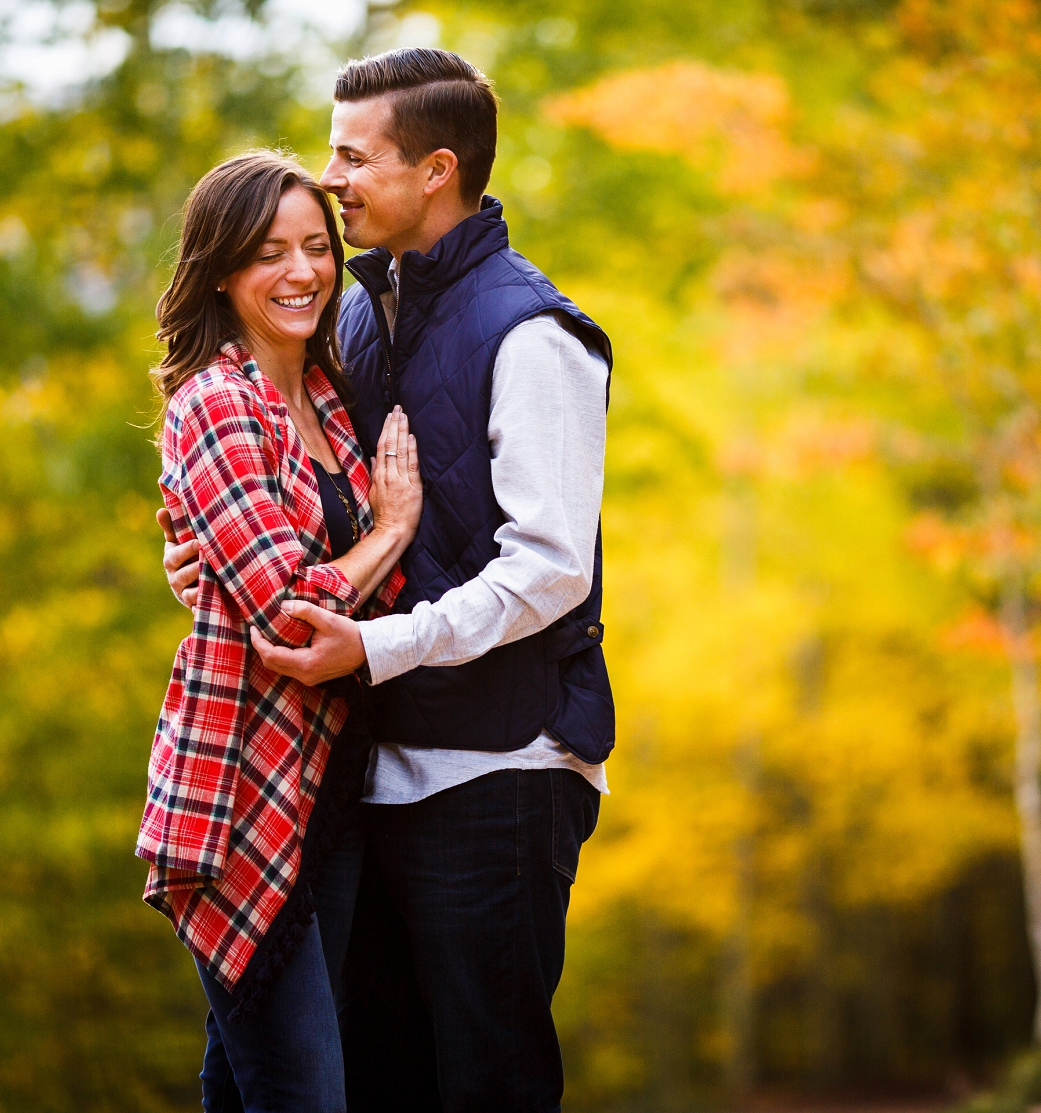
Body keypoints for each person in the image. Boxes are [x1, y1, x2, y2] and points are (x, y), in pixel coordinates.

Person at [162, 48, 614, 1112]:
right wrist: (201, 557)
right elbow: (279, 501)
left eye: (354, 156)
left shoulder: (534, 334)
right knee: (379, 1086)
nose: (335, 176)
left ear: (436, 169)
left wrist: (377, 643)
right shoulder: (354, 320)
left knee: (485, 1082)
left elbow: (549, 570)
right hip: (362, 777)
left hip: (501, 770)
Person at [140, 149, 422, 1113]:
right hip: (239, 791)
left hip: (324, 785)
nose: (302, 271)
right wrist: (386, 532)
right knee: (304, 1093)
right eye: (270, 252)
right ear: (221, 269)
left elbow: (347, 605)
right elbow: (289, 612)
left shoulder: (330, 403)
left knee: (248, 1081)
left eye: (316, 247)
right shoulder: (216, 406)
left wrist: (362, 568)